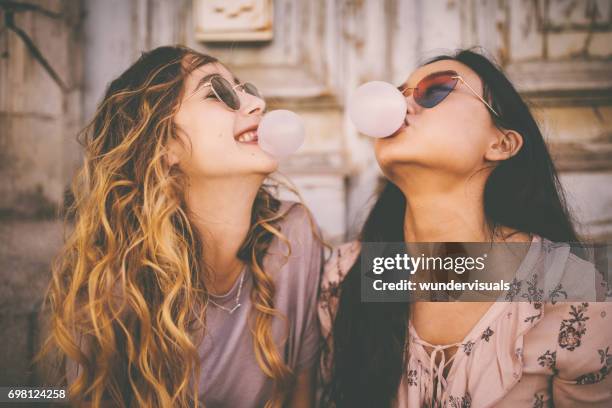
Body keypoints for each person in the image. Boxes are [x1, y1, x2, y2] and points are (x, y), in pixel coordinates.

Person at [319, 49, 612, 407]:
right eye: (397, 94)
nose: (399, 107)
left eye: (436, 91)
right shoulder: (345, 275)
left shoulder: (569, 292)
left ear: (501, 144)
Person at [40, 45, 322, 408]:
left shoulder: (293, 235)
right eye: (217, 92)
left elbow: (302, 394)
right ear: (164, 146)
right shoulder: (114, 286)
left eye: (245, 88)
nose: (256, 104)